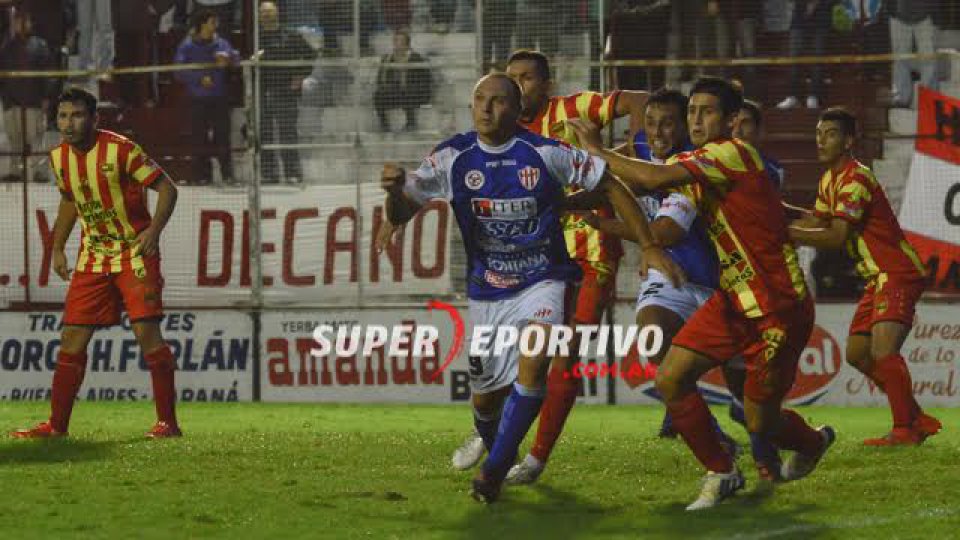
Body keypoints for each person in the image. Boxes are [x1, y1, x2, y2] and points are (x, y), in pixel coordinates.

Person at [377, 73, 683, 503]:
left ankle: (494, 472)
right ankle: (494, 439)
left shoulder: (544, 152)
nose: (486, 108)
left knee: (536, 364)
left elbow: (611, 185)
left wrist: (648, 245)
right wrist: (392, 197)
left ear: (518, 111)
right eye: (479, 99)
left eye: (498, 101)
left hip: (545, 278)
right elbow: (404, 204)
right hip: (489, 289)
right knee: (485, 400)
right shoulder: (453, 156)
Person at [568, 77, 834, 510]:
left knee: (758, 419)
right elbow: (642, 183)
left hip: (777, 306)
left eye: (706, 111)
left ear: (731, 121)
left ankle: (812, 441)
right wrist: (572, 190)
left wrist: (596, 151)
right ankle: (722, 469)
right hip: (732, 300)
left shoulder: (729, 153)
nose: (695, 119)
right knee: (670, 377)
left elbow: (651, 177)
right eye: (691, 111)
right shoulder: (699, 165)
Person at [451, 49, 648, 485]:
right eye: (512, 78)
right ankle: (491, 433)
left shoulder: (571, 109)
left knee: (561, 358)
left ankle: (536, 458)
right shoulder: (504, 132)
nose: (519, 85)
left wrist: (636, 149)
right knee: (506, 357)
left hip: (589, 253)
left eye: (527, 78)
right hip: (530, 260)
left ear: (547, 84)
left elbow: (637, 99)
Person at [11, 87, 181, 439]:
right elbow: (70, 202)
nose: (68, 123)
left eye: (76, 115)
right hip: (93, 256)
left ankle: (167, 423)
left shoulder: (120, 149)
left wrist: (154, 231)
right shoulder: (59, 158)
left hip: (133, 253)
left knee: (146, 332)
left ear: (93, 118)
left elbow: (167, 188)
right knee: (71, 338)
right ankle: (56, 426)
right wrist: (57, 248)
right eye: (62, 116)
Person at [574, 88, 740, 449]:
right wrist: (561, 202)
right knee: (653, 335)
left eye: (667, 124)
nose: (656, 132)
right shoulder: (640, 149)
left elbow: (666, 232)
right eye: (650, 123)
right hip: (670, 277)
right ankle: (704, 430)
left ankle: (756, 433)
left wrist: (604, 226)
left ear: (683, 127)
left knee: (748, 390)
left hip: (718, 281)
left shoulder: (692, 164)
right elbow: (606, 183)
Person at [788, 107, 942, 446]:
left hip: (897, 271)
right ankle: (914, 416)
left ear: (849, 141)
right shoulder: (830, 179)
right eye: (818, 133)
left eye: (830, 133)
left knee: (884, 352)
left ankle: (904, 431)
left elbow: (836, 235)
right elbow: (817, 221)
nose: (821, 140)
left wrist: (790, 235)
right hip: (878, 277)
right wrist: (778, 215)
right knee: (859, 353)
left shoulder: (856, 178)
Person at [174, 9, 239, 185]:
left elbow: (235, 58)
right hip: (197, 99)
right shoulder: (187, 45)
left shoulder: (221, 43)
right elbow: (178, 71)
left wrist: (231, 59)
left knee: (222, 136)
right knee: (199, 137)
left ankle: (227, 175)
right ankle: (201, 176)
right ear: (202, 24)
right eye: (212, 22)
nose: (215, 26)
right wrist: (199, 78)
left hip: (219, 98)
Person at [258, 1, 315, 184]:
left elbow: (311, 55)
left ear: (277, 13)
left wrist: (300, 75)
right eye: (263, 12)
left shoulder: (291, 35)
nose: (266, 15)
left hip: (285, 91)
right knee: (264, 133)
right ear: (259, 16)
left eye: (270, 11)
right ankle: (269, 174)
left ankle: (292, 173)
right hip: (261, 90)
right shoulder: (255, 37)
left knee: (287, 132)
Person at [0, 9, 55, 182]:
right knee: (14, 138)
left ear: (30, 23)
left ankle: (39, 172)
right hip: (11, 101)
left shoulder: (39, 45)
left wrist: (46, 97)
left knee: (35, 138)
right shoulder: (7, 47)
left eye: (24, 21)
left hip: (33, 101)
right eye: (17, 21)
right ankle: (16, 172)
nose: (21, 25)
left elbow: (48, 74)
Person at [373, 30, 432, 133]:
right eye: (395, 40)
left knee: (408, 93)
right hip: (394, 91)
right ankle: (384, 125)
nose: (396, 43)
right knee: (378, 95)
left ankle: (411, 123)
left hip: (413, 92)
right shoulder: (387, 58)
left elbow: (425, 79)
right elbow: (380, 78)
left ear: (407, 44)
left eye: (399, 41)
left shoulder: (416, 58)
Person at [887, 0, 938, 108]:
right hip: (898, 16)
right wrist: (891, 10)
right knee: (900, 60)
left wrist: (934, 13)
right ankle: (901, 98)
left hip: (925, 16)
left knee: (928, 59)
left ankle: (928, 97)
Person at [733, 99, 785, 189]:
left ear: (758, 129)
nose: (737, 131)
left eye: (745, 123)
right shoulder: (709, 162)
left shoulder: (772, 169)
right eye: (732, 123)